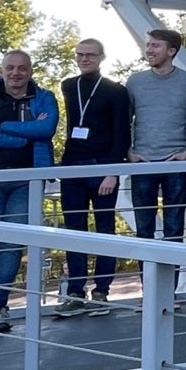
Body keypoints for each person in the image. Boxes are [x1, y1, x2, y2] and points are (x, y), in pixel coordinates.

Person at [0, 51, 59, 334]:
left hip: (27, 179)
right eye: (10, 68)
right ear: (2, 70)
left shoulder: (44, 98)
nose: (16, 73)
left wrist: (4, 126)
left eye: (22, 68)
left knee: (14, 242)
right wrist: (21, 140)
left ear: (30, 71)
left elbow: (46, 128)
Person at [56, 38, 130, 316]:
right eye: (80, 54)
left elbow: (122, 134)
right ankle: (75, 291)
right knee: (74, 231)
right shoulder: (68, 85)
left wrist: (112, 171)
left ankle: (101, 291)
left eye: (90, 55)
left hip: (103, 167)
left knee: (104, 231)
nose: (84, 59)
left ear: (101, 57)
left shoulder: (115, 91)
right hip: (72, 167)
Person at [126, 29, 186, 283]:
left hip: (176, 163)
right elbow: (125, 119)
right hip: (142, 162)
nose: (149, 50)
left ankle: (169, 291)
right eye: (148, 45)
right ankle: (148, 292)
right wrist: (129, 152)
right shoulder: (135, 81)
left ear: (171, 51)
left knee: (174, 229)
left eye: (155, 45)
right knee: (143, 229)